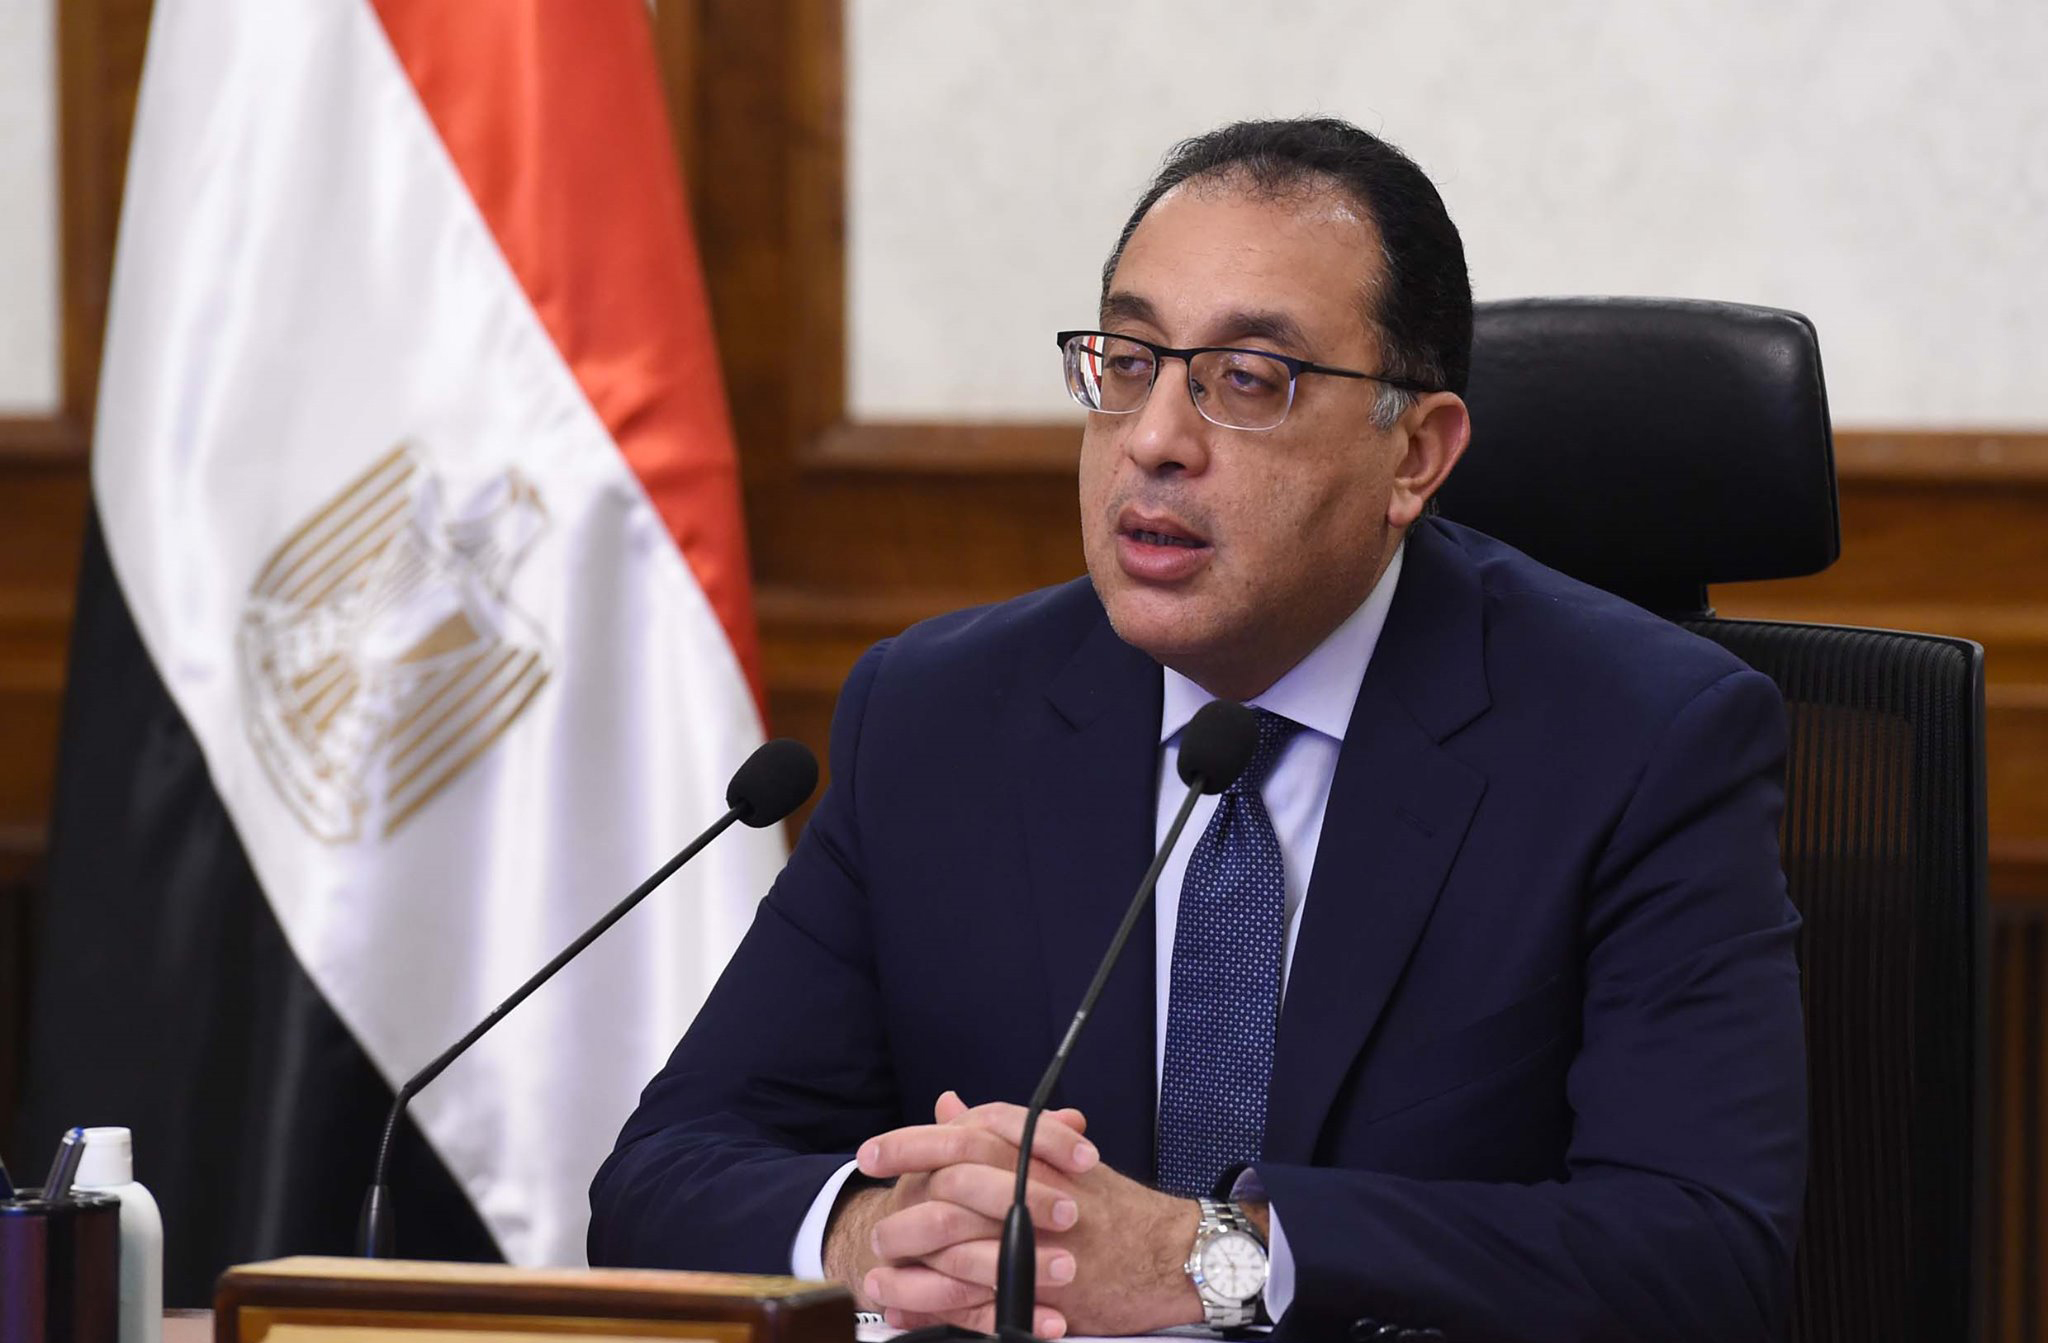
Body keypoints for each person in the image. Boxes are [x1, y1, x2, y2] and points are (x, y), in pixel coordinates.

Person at [589, 118, 1805, 1342]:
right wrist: (876, 1234)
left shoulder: (1640, 739)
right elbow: (661, 1178)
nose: (1154, 439)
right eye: (1127, 362)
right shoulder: (939, 716)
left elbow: (1697, 1251)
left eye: (1247, 380)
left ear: (1414, 455)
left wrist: (1210, 1256)